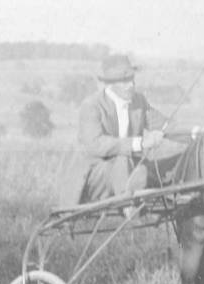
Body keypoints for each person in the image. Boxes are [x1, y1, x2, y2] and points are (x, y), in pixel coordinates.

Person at [59, 54, 178, 209]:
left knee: (173, 162)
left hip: (130, 169)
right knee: (124, 159)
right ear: (110, 84)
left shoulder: (139, 101)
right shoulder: (91, 106)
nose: (131, 85)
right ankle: (129, 203)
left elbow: (166, 125)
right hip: (96, 176)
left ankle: (142, 189)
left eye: (132, 79)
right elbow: (95, 145)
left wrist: (197, 133)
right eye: (124, 81)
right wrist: (140, 143)